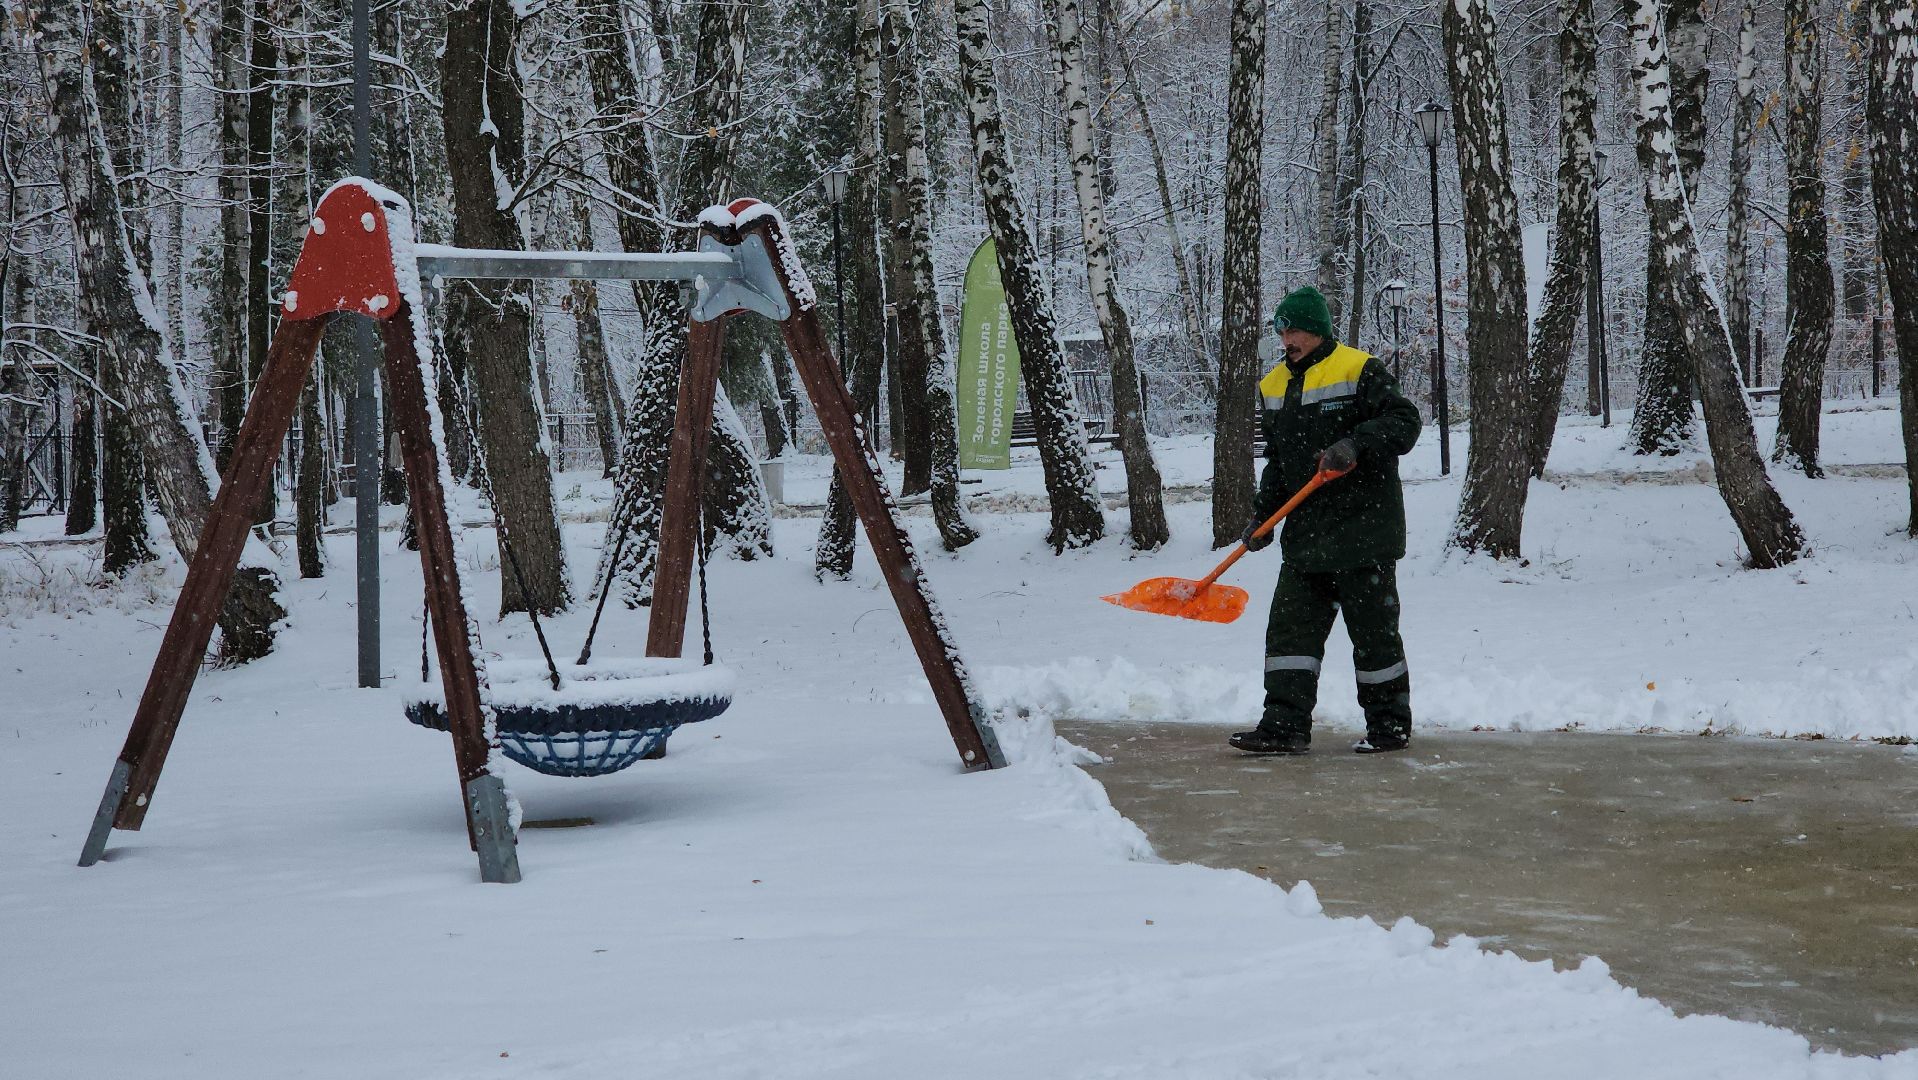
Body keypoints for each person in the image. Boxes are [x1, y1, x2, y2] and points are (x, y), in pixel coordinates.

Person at [1229, 285, 1422, 755]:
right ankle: (1284, 727)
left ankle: (1388, 727)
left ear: (1316, 330)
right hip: (1306, 538)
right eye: (1281, 329)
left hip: (1363, 532)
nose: (1286, 338)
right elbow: (1277, 461)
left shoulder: (1359, 369)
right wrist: (1263, 516)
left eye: (1293, 329)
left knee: (1373, 638)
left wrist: (1355, 445)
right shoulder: (1273, 384)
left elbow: (1404, 422)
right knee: (1289, 635)